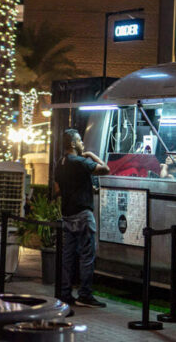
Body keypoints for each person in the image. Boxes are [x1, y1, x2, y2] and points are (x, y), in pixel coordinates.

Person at [53, 129, 110, 308]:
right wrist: (92, 155)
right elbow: (106, 170)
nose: (82, 144)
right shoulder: (80, 161)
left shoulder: (60, 163)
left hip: (67, 215)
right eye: (79, 141)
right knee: (87, 255)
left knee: (68, 256)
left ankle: (65, 293)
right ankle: (85, 294)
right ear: (72, 144)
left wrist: (78, 189)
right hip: (83, 215)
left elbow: (57, 190)